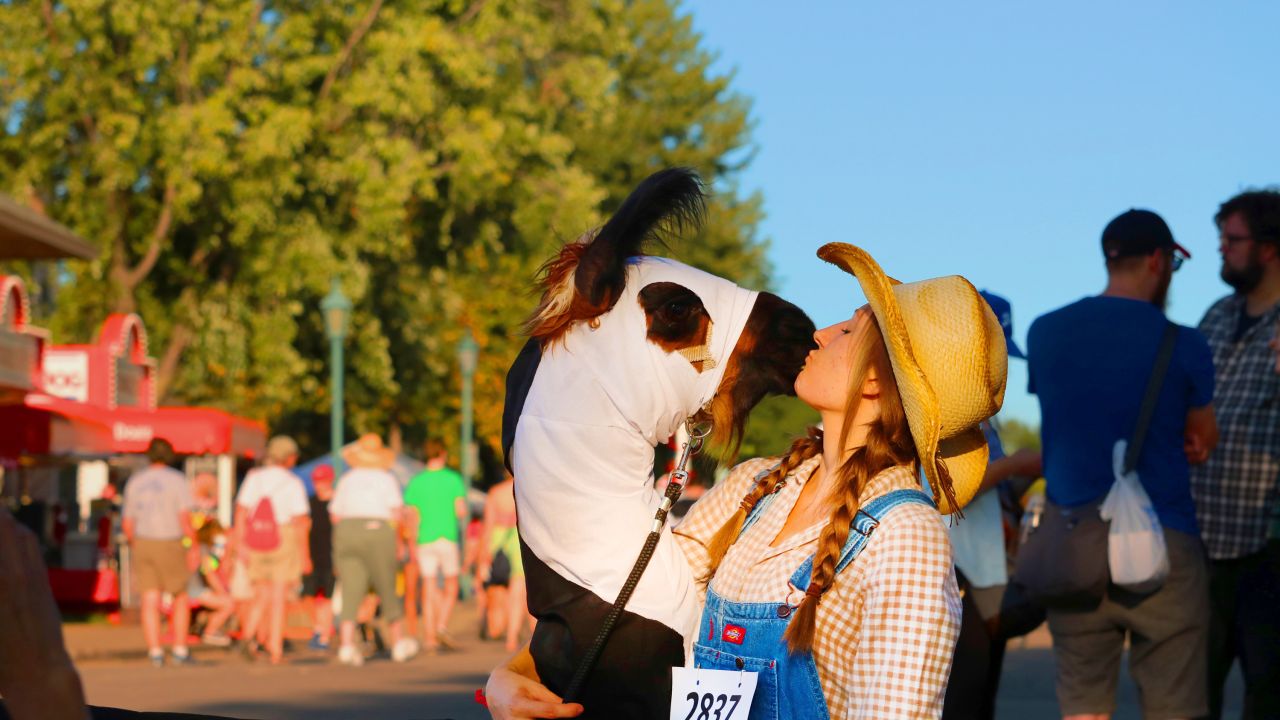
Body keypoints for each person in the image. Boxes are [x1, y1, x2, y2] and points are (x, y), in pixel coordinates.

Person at [487, 242, 1008, 719]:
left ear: (875, 380)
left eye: (848, 330)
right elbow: (628, 606)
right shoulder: (753, 486)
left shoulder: (908, 537)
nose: (821, 333)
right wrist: (512, 677)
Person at [1026, 209, 1217, 720]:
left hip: (1074, 544)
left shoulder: (1046, 332)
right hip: (1164, 541)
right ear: (1158, 260)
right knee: (1173, 704)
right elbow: (1203, 437)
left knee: (1083, 705)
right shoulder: (1187, 344)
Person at [1190, 188, 1280, 719]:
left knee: (1266, 693)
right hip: (1203, 541)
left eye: (1233, 239)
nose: (1221, 249)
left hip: (1266, 548)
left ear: (1269, 247)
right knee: (1192, 693)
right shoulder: (1217, 316)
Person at [943, 290, 1042, 720]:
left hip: (982, 571)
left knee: (979, 698)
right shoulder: (945, 402)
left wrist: (1023, 479)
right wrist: (1017, 465)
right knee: (962, 700)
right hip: (957, 573)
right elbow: (946, 491)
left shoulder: (981, 403)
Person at [329, 433, 419, 666]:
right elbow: (397, 514)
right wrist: (399, 543)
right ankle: (398, 642)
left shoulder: (347, 479)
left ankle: (347, 646)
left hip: (347, 530)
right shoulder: (385, 478)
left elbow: (335, 514)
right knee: (386, 585)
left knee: (350, 588)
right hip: (378, 530)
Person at [233, 435, 311, 664]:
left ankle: (247, 637)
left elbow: (240, 512)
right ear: (288, 458)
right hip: (283, 536)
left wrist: (241, 544)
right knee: (278, 597)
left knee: (261, 593)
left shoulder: (254, 478)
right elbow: (301, 522)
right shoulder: (292, 482)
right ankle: (275, 648)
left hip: (255, 536)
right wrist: (305, 555)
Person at [121, 438, 197, 667]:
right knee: (180, 596)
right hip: (169, 540)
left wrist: (136, 543)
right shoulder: (177, 480)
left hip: (143, 540)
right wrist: (192, 546)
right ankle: (180, 649)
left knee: (149, 597)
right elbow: (184, 518)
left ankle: (155, 651)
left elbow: (127, 522)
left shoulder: (136, 480)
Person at [403, 439, 468, 653]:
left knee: (428, 587)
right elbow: (460, 511)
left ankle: (429, 637)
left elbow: (411, 515)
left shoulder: (416, 482)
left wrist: (412, 542)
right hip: (447, 536)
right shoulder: (453, 479)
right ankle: (441, 625)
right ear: (442, 453)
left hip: (424, 538)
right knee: (451, 584)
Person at [482, 473, 534, 653]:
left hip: (499, 542)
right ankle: (531, 636)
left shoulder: (496, 493)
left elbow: (488, 525)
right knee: (523, 590)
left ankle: (511, 637)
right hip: (519, 539)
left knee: (506, 593)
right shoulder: (528, 489)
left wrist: (484, 553)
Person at [303, 464, 337, 651]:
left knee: (327, 597)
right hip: (313, 554)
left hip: (330, 556)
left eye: (322, 480)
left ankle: (323, 633)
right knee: (310, 595)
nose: (319, 484)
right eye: (316, 481)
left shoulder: (337, 502)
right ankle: (318, 627)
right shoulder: (310, 502)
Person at [187, 519, 235, 647]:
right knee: (229, 604)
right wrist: (222, 592)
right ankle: (210, 632)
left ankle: (207, 629)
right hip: (194, 590)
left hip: (192, 588)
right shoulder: (204, 549)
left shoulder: (199, 547)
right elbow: (209, 573)